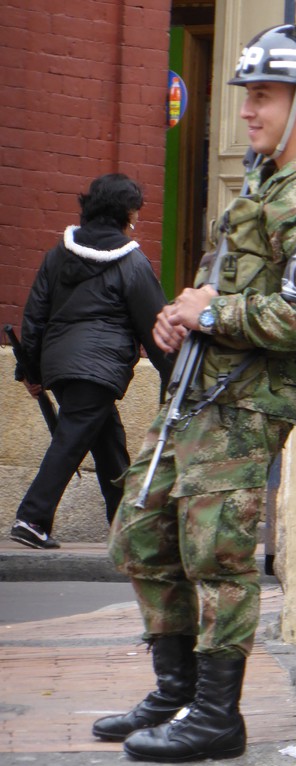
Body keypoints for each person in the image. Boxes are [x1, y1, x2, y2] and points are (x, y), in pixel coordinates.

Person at [92, 24, 296, 763]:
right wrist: (181, 313)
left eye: (261, 96)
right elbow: (220, 284)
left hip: (245, 403)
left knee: (217, 557)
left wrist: (214, 314)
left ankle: (214, 715)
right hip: (203, 391)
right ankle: (174, 694)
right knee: (139, 530)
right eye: (247, 96)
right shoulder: (262, 184)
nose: (247, 111)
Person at [10, 173, 172, 550]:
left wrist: (31, 371)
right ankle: (32, 518)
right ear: (125, 213)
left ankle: (126, 528)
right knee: (70, 440)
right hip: (99, 368)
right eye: (135, 210)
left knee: (109, 442)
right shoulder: (132, 263)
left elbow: (34, 317)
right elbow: (157, 328)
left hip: (60, 366)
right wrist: (175, 380)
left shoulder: (56, 255)